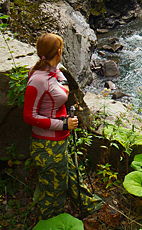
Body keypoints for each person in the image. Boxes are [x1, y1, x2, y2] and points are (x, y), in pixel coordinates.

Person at [22, 33, 103, 220]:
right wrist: (63, 124)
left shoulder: (51, 71)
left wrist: (60, 74)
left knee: (72, 173)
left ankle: (90, 206)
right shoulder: (38, 80)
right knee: (54, 189)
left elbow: (58, 80)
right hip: (46, 145)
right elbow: (29, 116)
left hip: (59, 141)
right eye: (61, 48)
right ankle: (50, 226)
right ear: (58, 52)